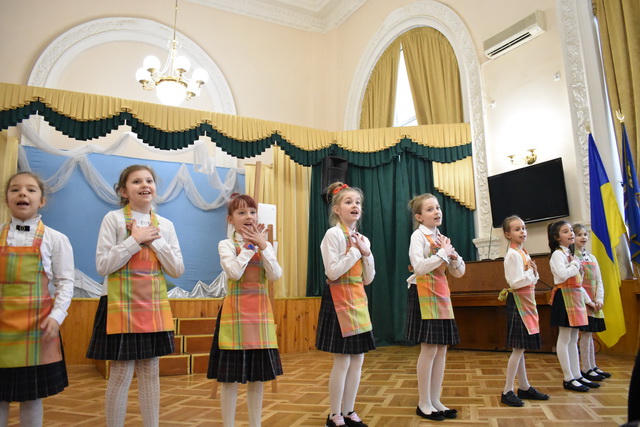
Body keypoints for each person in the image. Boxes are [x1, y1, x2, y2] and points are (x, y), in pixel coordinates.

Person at [86, 165, 184, 427]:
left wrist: (154, 241)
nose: (144, 185)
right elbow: (103, 266)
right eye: (136, 181)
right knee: (120, 373)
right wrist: (134, 240)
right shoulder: (113, 219)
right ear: (123, 191)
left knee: (151, 373)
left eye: (149, 180)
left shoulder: (166, 225)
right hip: (119, 306)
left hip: (153, 307)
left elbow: (177, 269)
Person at [0, 172, 74, 427]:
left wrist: (57, 316)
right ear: (7, 200)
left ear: (41, 201)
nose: (22, 193)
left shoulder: (56, 239)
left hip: (38, 328)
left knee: (32, 397)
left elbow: (65, 283)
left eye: (31, 189)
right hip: (1, 329)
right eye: (15, 189)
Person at [207, 193, 283, 427]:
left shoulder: (266, 245)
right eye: (241, 212)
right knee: (229, 380)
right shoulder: (226, 244)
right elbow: (234, 273)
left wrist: (264, 246)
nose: (249, 216)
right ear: (231, 219)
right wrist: (250, 248)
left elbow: (275, 275)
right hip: (234, 316)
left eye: (252, 212)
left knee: (257, 378)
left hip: (260, 316)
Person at [316, 182, 374, 427]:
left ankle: (350, 411)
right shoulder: (333, 234)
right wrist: (356, 252)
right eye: (348, 202)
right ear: (337, 209)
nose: (354, 206)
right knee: (342, 361)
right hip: (338, 301)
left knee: (358, 359)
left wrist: (366, 253)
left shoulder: (363, 239)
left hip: (358, 301)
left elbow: (368, 278)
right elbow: (333, 271)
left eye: (357, 202)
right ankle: (334, 414)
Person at [405, 193, 465, 421]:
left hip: (441, 294)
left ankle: (436, 400)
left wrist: (454, 257)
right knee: (429, 348)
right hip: (423, 294)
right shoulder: (417, 236)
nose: (437, 212)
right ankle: (424, 403)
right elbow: (419, 267)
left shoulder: (443, 239)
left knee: (442, 348)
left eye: (438, 207)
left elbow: (459, 273)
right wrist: (442, 254)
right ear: (419, 217)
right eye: (430, 209)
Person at [498, 216, 549, 407]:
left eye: (523, 228)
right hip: (518, 303)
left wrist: (532, 272)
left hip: (527, 302)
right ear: (508, 234)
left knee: (520, 348)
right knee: (518, 348)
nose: (522, 232)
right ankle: (507, 390)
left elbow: (532, 278)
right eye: (517, 229)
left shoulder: (523, 252)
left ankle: (525, 387)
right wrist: (530, 273)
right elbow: (515, 282)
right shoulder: (512, 255)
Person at [547, 220, 598, 393]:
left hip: (575, 296)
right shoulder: (557, 254)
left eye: (571, 231)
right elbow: (561, 276)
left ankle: (577, 374)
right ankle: (568, 377)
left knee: (574, 337)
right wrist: (575, 265)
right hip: (564, 296)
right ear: (557, 237)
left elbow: (577, 280)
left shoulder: (569, 253)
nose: (571, 234)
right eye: (565, 231)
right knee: (565, 337)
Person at [573, 223, 611, 381]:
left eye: (585, 234)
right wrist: (589, 302)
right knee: (585, 334)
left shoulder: (592, 257)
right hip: (583, 302)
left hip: (595, 302)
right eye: (579, 235)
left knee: (591, 334)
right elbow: (577, 284)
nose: (583, 237)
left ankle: (593, 366)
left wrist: (599, 299)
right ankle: (586, 368)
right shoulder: (573, 258)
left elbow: (599, 280)